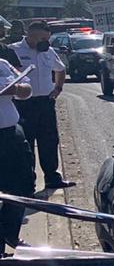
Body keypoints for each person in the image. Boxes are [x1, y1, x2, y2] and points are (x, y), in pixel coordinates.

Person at [12, 19, 71, 189]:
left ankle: (52, 178)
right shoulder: (14, 51)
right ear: (31, 36)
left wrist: (58, 88)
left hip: (45, 102)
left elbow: (60, 69)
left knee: (50, 140)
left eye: (47, 39)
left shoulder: (49, 52)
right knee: (26, 144)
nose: (46, 43)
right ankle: (27, 181)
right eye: (42, 39)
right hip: (23, 104)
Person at [0, 55, 35, 254]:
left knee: (23, 186)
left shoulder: (2, 64)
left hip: (11, 134)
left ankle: (10, 233)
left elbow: (27, 89)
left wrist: (16, 89)